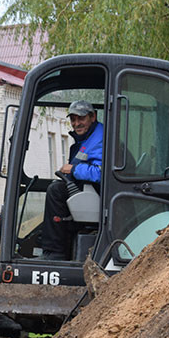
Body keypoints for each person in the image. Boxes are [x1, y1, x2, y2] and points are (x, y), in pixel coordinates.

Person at [41, 100, 104, 260]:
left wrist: (74, 169)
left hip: (99, 193)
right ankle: (64, 250)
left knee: (56, 191)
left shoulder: (101, 139)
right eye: (73, 119)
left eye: (81, 118)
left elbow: (101, 173)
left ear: (93, 116)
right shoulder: (85, 140)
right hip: (88, 191)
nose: (76, 123)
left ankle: (54, 253)